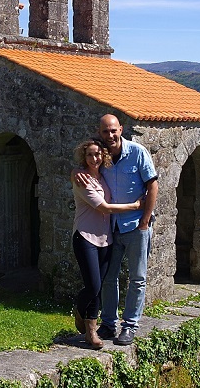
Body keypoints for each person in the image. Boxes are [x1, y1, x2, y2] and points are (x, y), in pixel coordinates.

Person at [78, 113, 158, 346]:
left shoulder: (137, 152)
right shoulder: (102, 156)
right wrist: (76, 173)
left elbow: (153, 185)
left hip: (136, 226)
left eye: (113, 130)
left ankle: (130, 326)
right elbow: (85, 166)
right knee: (109, 277)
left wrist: (144, 220)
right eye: (105, 131)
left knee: (137, 278)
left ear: (121, 129)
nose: (110, 135)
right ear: (100, 133)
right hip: (111, 228)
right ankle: (109, 324)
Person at [70, 138, 142, 349]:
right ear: (84, 157)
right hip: (85, 237)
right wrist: (135, 206)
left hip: (106, 239)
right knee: (92, 285)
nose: (95, 158)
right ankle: (81, 311)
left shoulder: (104, 177)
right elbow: (104, 207)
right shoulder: (81, 178)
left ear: (104, 156)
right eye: (91, 154)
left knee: (98, 286)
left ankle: (90, 333)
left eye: (98, 154)